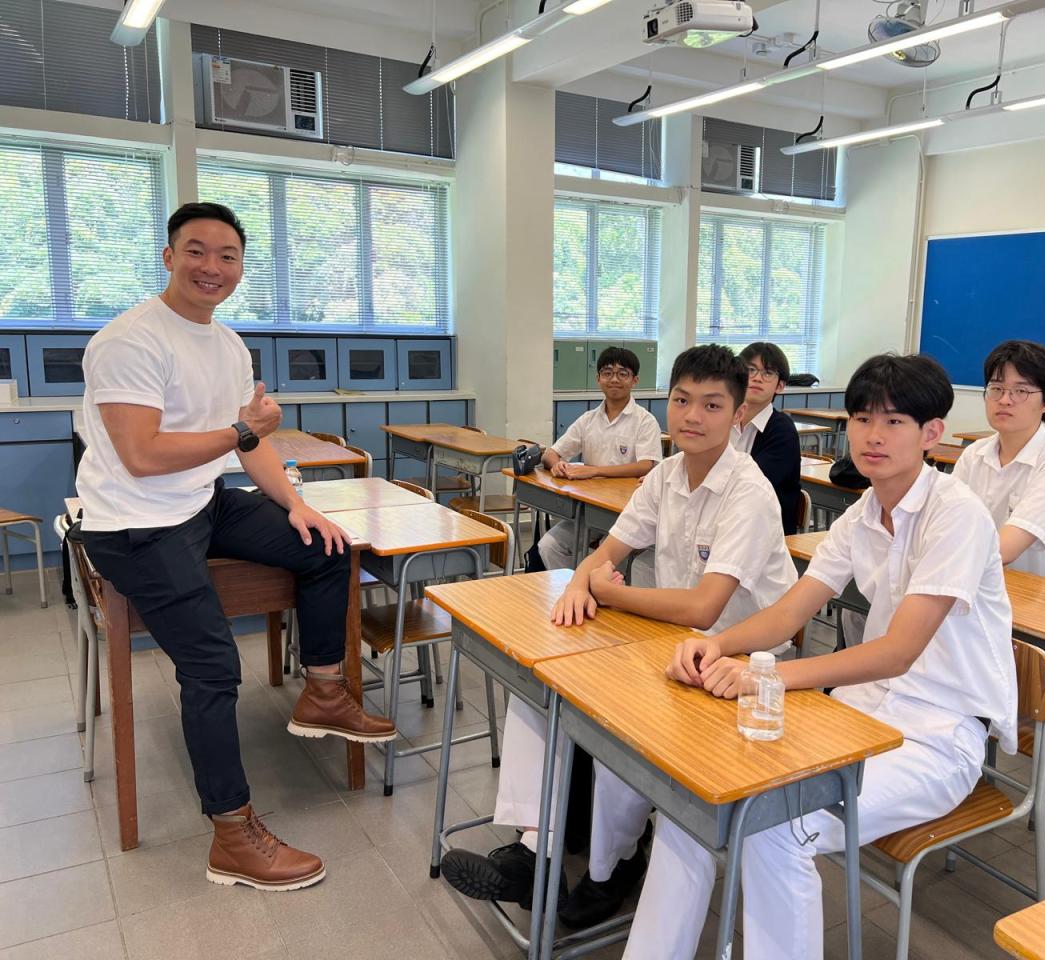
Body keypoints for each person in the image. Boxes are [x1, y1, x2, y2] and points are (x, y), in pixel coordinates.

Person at [623, 353, 1017, 959]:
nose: (873, 435)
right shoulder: (862, 515)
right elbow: (790, 612)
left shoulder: (956, 514)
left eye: (893, 422)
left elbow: (898, 652)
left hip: (938, 735)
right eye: (861, 419)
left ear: (931, 433)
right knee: (699, 797)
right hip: (858, 714)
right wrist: (716, 644)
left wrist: (766, 677)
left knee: (776, 827)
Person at [76, 202, 396, 891]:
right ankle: (231, 833)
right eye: (196, 251)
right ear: (169, 257)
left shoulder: (227, 344)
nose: (211, 267)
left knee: (328, 547)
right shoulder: (128, 341)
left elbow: (251, 446)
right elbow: (141, 455)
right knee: (214, 666)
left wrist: (297, 504)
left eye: (227, 256)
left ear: (241, 268)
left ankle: (324, 692)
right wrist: (243, 432)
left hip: (199, 499)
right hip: (134, 522)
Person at [440, 345, 798, 930]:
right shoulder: (666, 475)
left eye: (712, 405)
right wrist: (581, 582)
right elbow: (605, 553)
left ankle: (613, 868)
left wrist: (608, 593)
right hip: (669, 639)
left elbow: (705, 606)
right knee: (541, 683)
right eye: (682, 399)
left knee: (617, 725)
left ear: (738, 415)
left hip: (739, 662)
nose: (693, 415)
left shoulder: (748, 493)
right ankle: (534, 849)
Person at [952, 339, 1045, 583]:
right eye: (996, 388)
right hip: (977, 580)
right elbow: (948, 522)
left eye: (1020, 391)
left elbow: (1006, 549)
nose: (1004, 400)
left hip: (1040, 595)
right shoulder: (974, 454)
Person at [527, 346, 662, 571]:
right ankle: (574, 589)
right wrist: (557, 464)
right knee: (549, 546)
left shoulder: (645, 421)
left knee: (604, 559)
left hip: (626, 513)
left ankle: (593, 586)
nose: (614, 379)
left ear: (634, 380)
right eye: (607, 373)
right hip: (590, 509)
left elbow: (646, 465)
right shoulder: (588, 419)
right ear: (598, 378)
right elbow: (551, 453)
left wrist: (595, 471)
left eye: (622, 373)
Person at [734, 342, 802, 535]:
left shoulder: (783, 431)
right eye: (751, 370)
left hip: (763, 530)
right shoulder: (723, 420)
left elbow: (752, 487)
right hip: (724, 520)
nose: (757, 378)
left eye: (768, 373)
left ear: (780, 386)